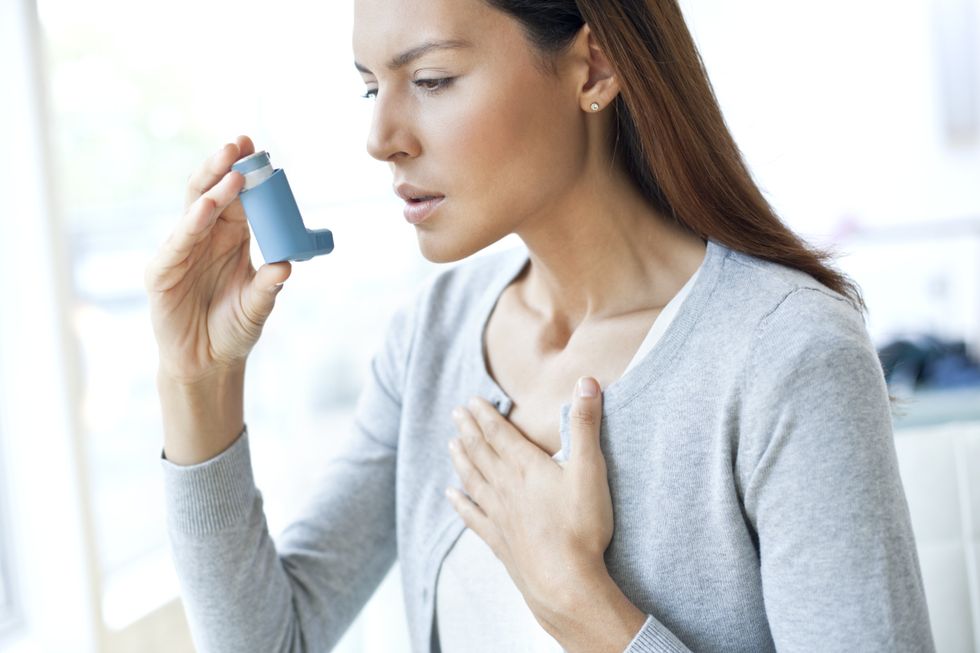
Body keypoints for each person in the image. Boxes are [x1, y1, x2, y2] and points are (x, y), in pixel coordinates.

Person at [144, 1, 936, 651]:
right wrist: (199, 379)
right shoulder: (433, 336)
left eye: (431, 78)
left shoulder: (785, 356)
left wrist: (582, 605)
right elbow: (268, 642)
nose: (381, 137)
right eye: (368, 87)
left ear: (592, 67)